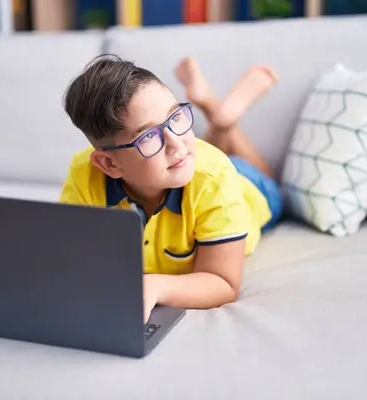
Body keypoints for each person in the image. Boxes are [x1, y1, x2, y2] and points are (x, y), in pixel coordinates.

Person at [60, 55, 283, 322]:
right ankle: (219, 123)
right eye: (149, 136)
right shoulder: (84, 174)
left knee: (265, 177)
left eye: (175, 116)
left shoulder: (216, 176)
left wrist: (156, 285)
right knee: (189, 156)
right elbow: (72, 257)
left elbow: (223, 283)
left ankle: (222, 120)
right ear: (109, 163)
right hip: (193, 168)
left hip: (247, 187)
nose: (175, 142)